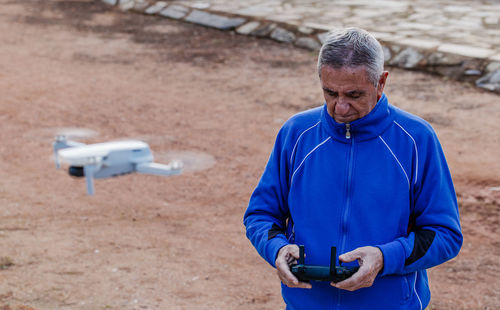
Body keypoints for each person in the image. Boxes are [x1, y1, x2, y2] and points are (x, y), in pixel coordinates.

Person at [243, 27, 462, 309]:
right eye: (330, 93)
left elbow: (445, 234)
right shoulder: (296, 133)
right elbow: (261, 214)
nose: (341, 107)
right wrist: (277, 249)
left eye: (354, 94)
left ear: (381, 82)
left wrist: (384, 258)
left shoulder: (417, 139)